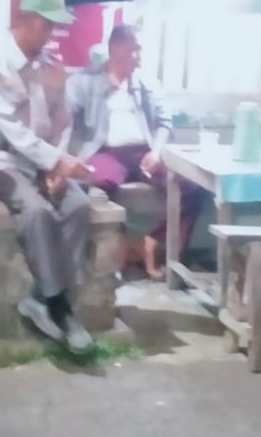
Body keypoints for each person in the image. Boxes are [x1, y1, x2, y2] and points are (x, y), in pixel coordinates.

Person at [0, 0, 95, 355]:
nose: (50, 34)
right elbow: (12, 130)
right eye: (45, 25)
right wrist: (55, 161)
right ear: (25, 20)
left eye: (54, 27)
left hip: (40, 162)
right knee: (38, 212)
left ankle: (41, 298)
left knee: (79, 206)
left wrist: (57, 164)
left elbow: (62, 121)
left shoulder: (50, 66)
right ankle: (60, 307)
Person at [67, 24, 207, 279]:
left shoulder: (147, 82)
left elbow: (165, 122)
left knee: (193, 184)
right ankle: (117, 248)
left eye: (140, 51)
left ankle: (154, 242)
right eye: (135, 50)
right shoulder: (85, 81)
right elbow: (67, 120)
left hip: (143, 152)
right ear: (115, 49)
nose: (139, 58)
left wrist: (156, 152)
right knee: (95, 184)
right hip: (106, 152)